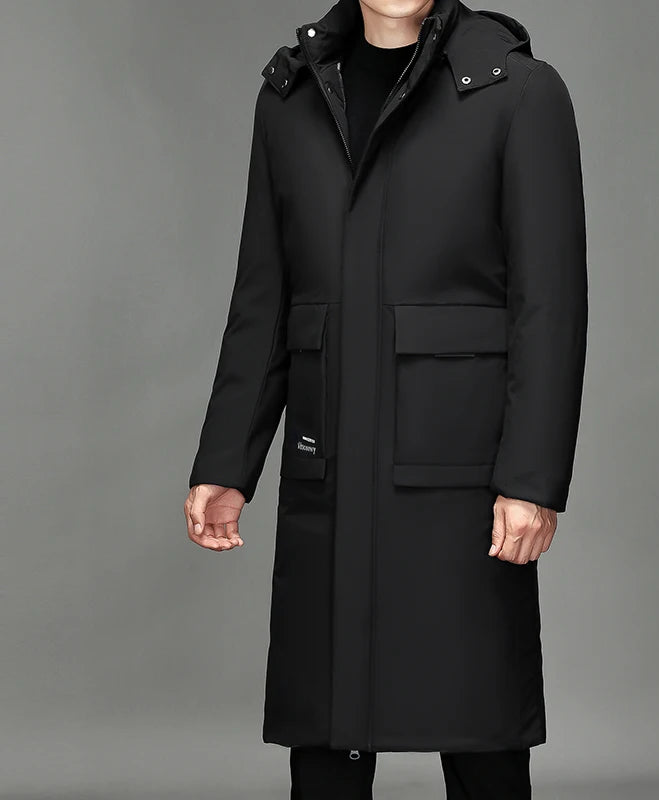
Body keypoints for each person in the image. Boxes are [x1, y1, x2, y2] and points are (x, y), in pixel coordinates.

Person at [184, 0, 587, 797]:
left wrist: (531, 480)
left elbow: (550, 304)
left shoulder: (515, 91)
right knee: (327, 739)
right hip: (329, 468)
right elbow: (263, 299)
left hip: (461, 480)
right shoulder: (291, 99)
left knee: (479, 735)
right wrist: (227, 460)